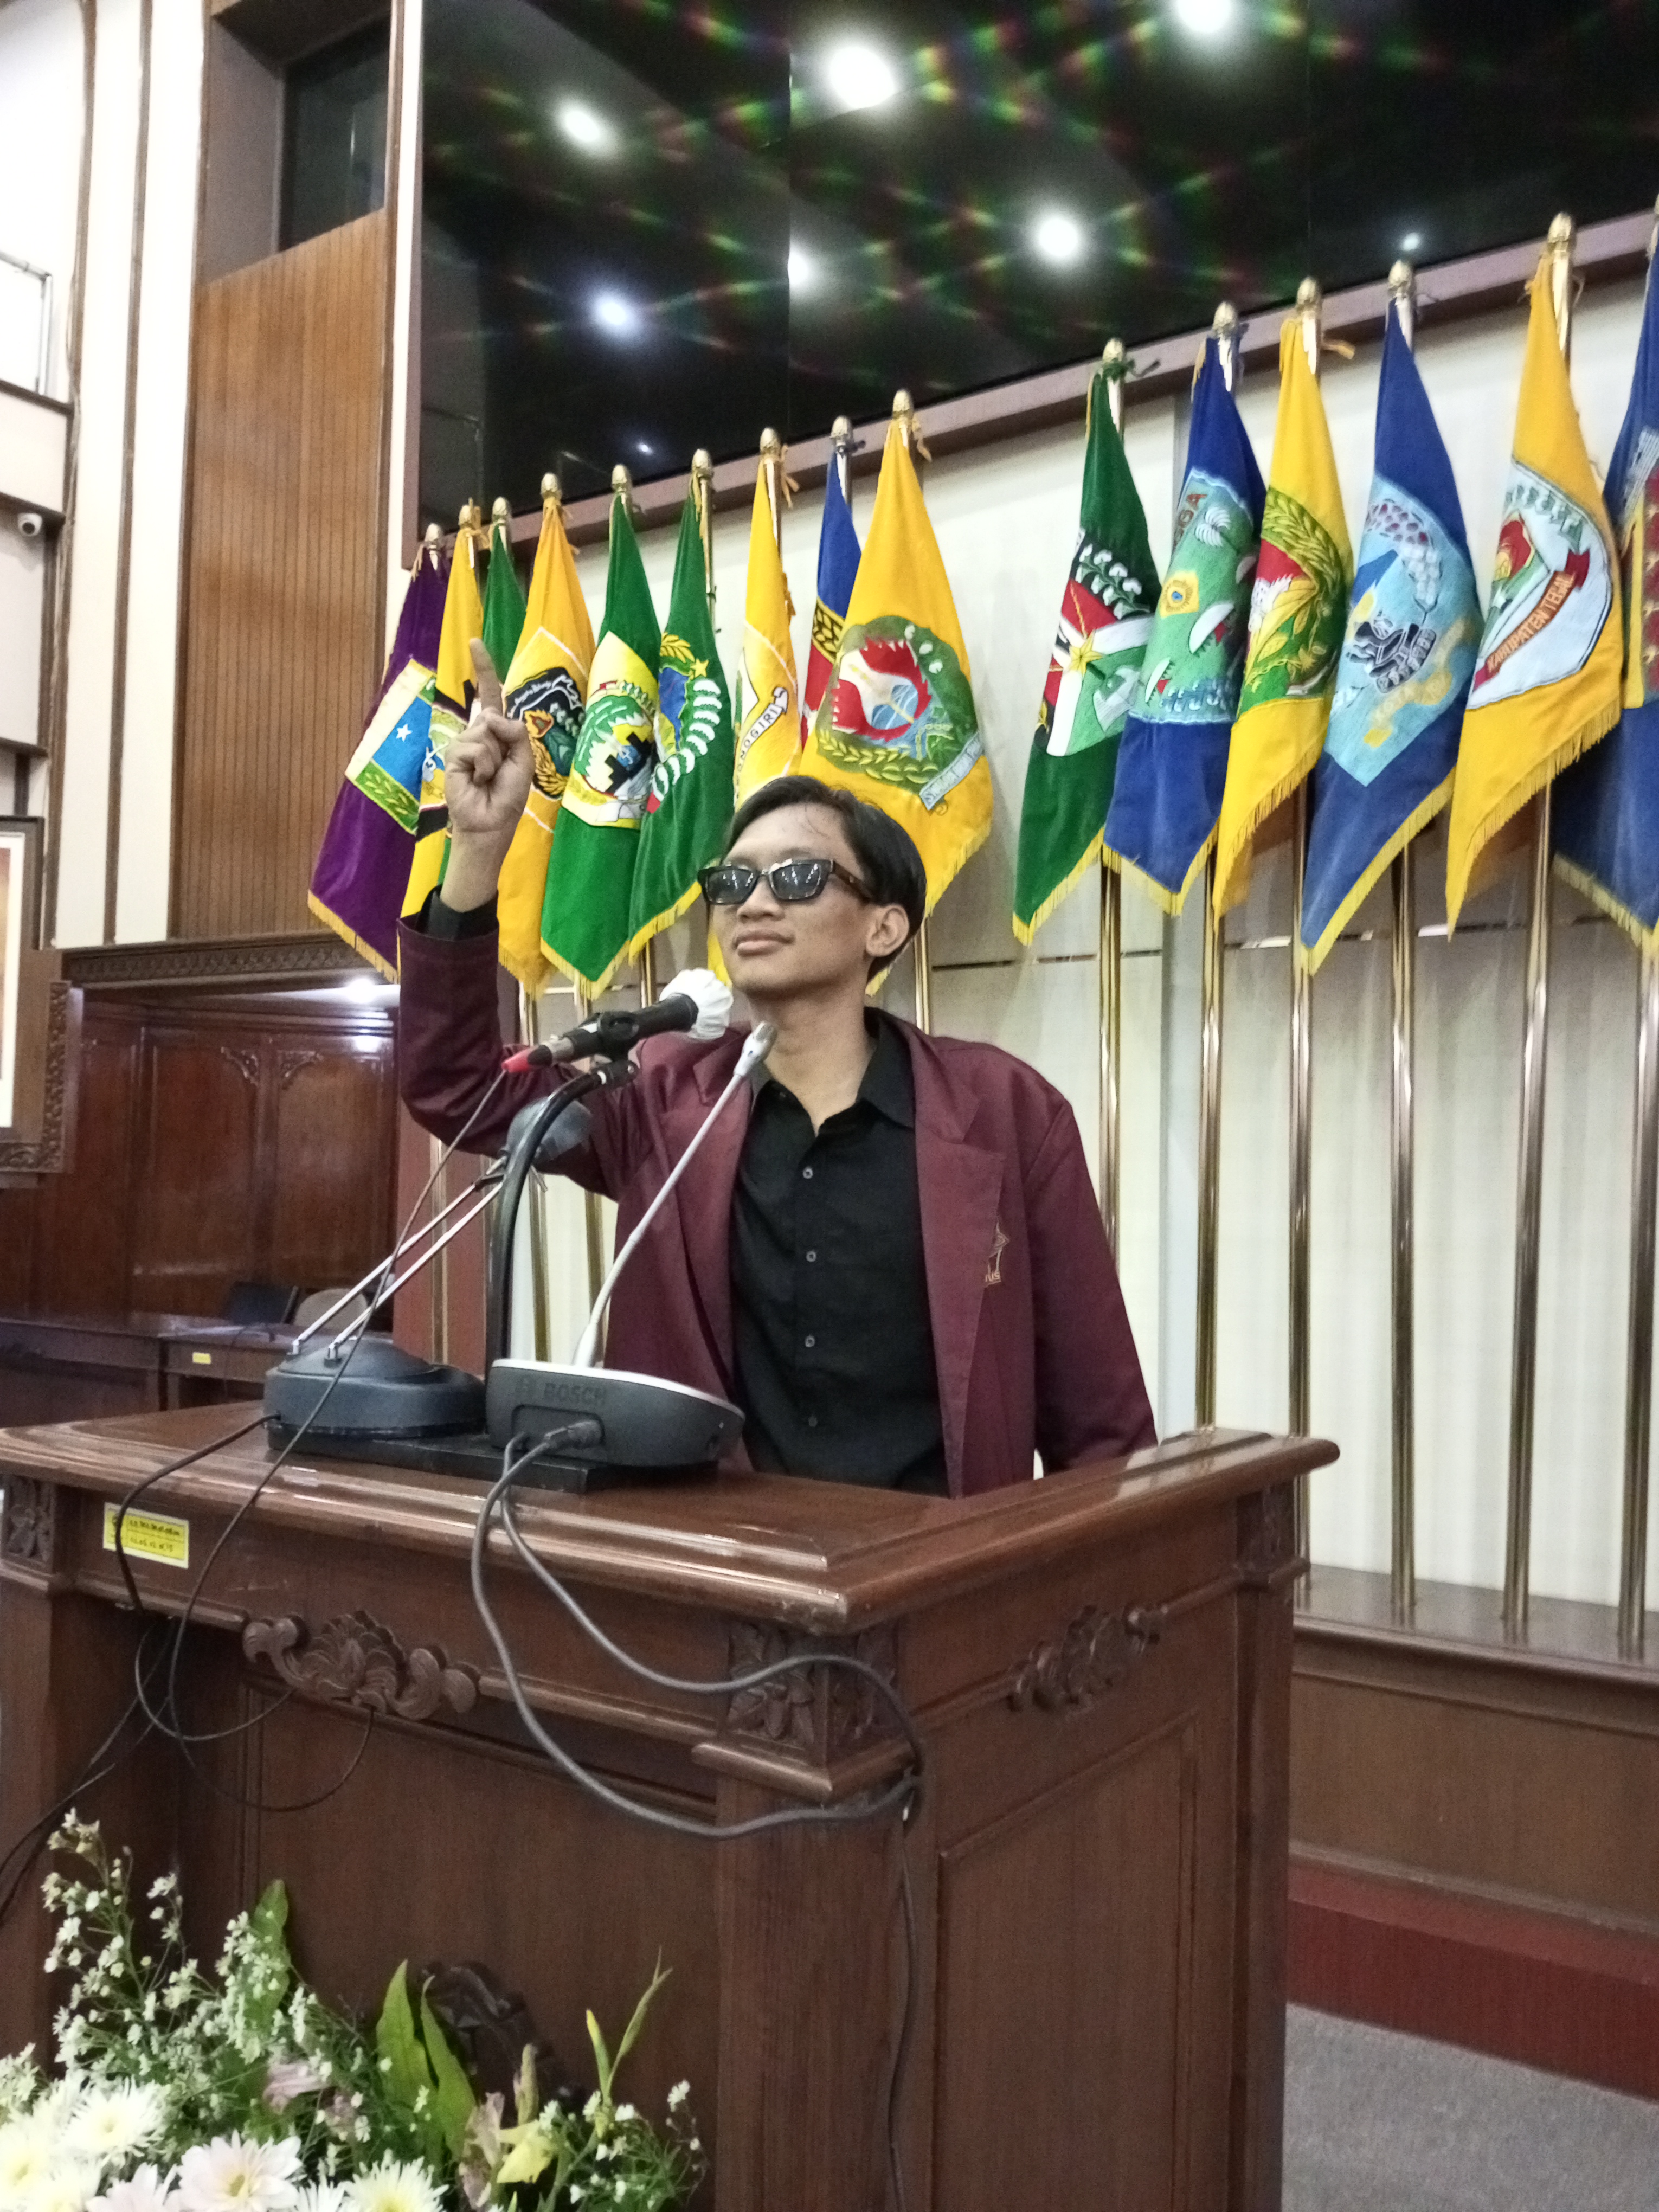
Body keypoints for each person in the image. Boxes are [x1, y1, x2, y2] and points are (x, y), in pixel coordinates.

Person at [397, 641, 1155, 1497]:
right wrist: (477, 853)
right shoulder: (661, 1100)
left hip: (938, 1563)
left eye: (797, 878)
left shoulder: (1006, 1112)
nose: (753, 902)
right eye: (732, 882)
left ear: (884, 928)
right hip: (710, 1562)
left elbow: (1103, 1430)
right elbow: (460, 1090)